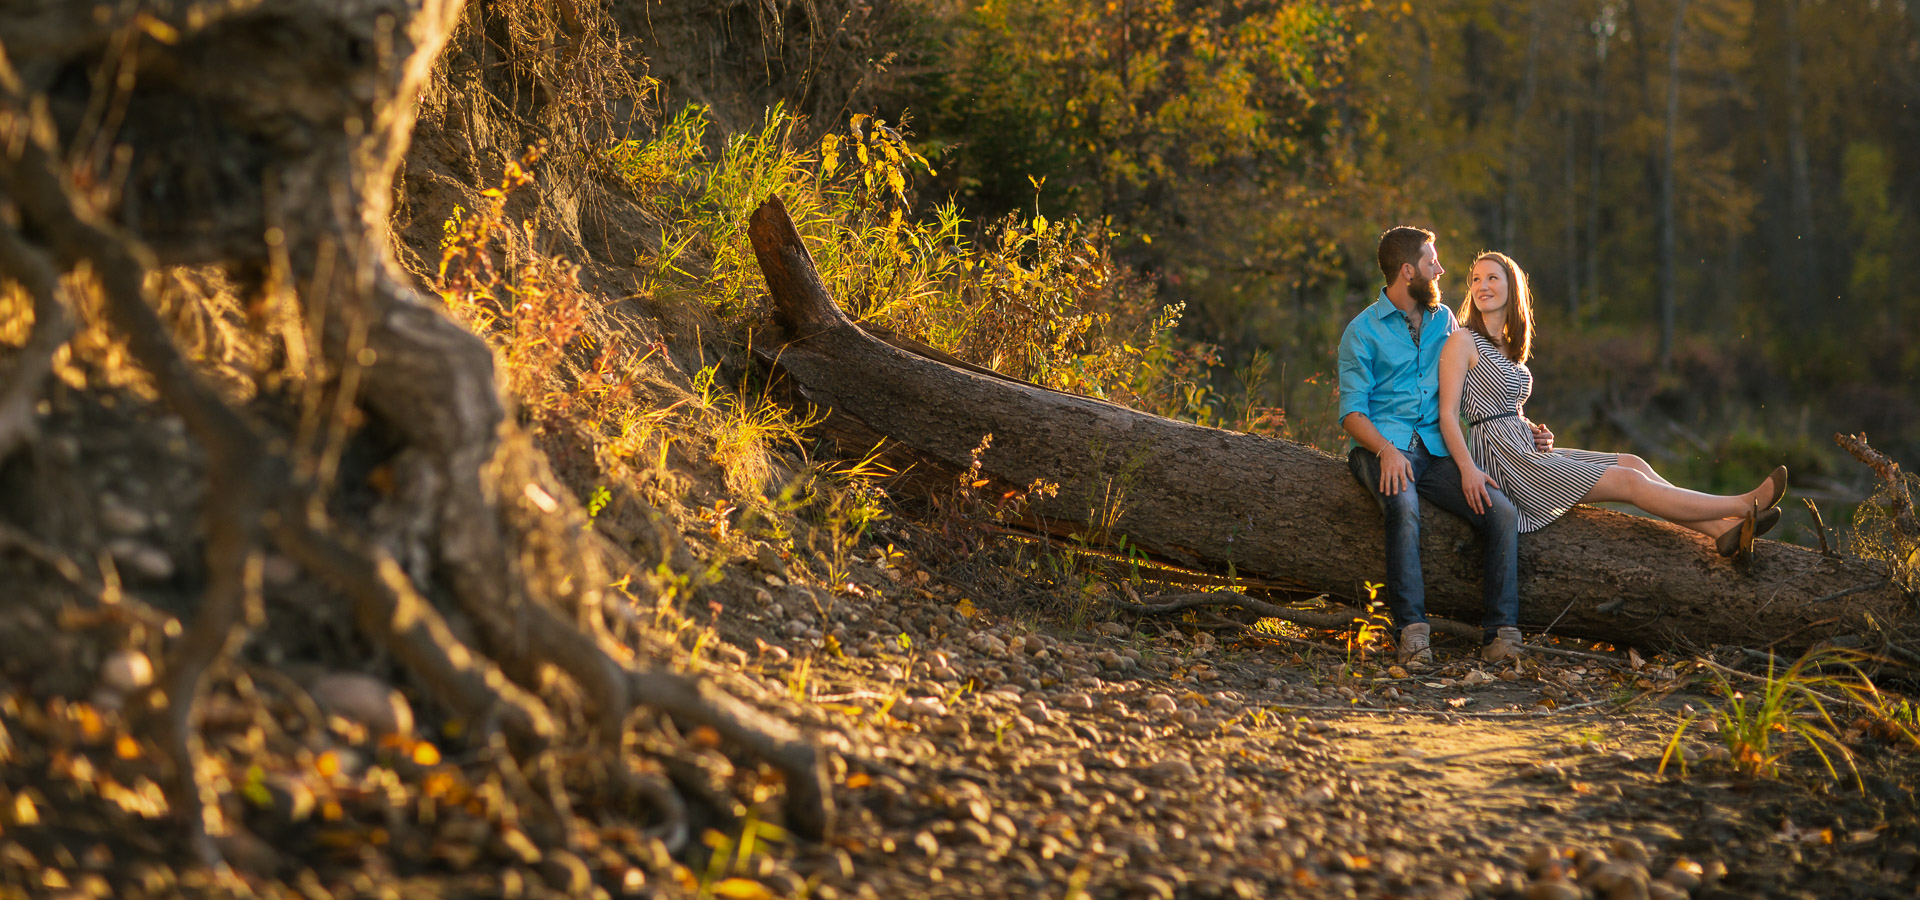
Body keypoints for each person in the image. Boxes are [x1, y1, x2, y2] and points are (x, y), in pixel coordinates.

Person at [1435, 251, 1787, 555]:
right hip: (1503, 463)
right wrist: (1468, 470)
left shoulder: (1508, 348)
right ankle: (1742, 505)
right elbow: (1450, 414)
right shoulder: (1463, 341)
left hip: (1525, 448)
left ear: (1512, 287)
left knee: (1632, 461)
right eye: (1476, 279)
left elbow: (1502, 406)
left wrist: (1532, 429)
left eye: (1492, 277)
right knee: (1629, 482)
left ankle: (1721, 531)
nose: (1482, 285)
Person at [1339, 227, 1524, 667]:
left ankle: (1501, 634)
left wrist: (1524, 425)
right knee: (1404, 508)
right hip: (1382, 448)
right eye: (1431, 262)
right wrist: (1386, 451)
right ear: (1408, 271)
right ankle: (1413, 633)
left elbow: (1475, 387)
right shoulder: (1362, 331)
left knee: (1500, 511)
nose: (1440, 269)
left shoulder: (1444, 322)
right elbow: (1351, 413)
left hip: (1438, 451)